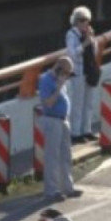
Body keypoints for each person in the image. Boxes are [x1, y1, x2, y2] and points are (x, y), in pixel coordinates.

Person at [37, 56, 82, 201]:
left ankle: (67, 188)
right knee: (52, 156)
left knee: (66, 155)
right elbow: (48, 103)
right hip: (52, 120)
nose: (67, 77)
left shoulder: (61, 81)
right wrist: (58, 87)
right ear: (59, 69)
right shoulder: (46, 80)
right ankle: (51, 190)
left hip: (63, 120)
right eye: (66, 73)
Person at [65, 6, 99, 143]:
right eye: (82, 20)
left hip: (88, 71)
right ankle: (76, 133)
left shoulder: (87, 35)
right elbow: (71, 53)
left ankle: (87, 130)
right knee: (78, 103)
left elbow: (95, 52)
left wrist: (92, 39)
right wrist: (84, 45)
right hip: (78, 72)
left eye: (87, 21)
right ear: (76, 21)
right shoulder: (71, 35)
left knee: (88, 102)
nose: (85, 23)